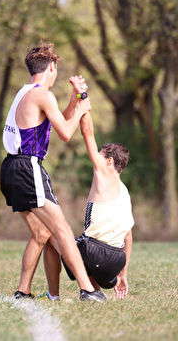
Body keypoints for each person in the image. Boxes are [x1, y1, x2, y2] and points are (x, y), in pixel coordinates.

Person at [0, 42, 105, 301]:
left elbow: (60, 120)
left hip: (11, 168)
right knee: (62, 231)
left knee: (41, 233)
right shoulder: (43, 95)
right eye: (56, 68)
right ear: (52, 68)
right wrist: (83, 104)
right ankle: (87, 289)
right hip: (28, 168)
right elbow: (67, 133)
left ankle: (23, 291)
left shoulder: (26, 92)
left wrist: (75, 99)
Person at [42, 108, 133, 301]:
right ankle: (94, 292)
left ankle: (54, 296)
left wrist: (83, 101)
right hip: (116, 260)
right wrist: (123, 274)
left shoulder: (104, 174)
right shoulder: (124, 192)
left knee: (49, 235)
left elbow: (87, 133)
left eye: (100, 155)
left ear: (109, 161)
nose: (96, 159)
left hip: (95, 253)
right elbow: (128, 237)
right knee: (85, 247)